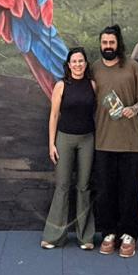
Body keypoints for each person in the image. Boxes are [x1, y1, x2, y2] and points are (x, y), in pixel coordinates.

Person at [89, 25, 138, 259]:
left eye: (111, 43)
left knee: (128, 190)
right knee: (105, 191)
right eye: (104, 43)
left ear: (118, 44)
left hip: (130, 143)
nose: (107, 46)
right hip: (103, 142)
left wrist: (134, 108)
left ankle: (129, 234)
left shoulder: (132, 67)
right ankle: (109, 232)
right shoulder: (94, 69)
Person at [40, 47, 97, 250]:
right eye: (74, 61)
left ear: (86, 63)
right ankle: (54, 236)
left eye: (81, 61)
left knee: (83, 187)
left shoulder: (92, 85)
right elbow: (54, 116)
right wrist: (51, 144)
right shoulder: (61, 86)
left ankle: (86, 237)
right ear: (69, 64)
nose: (78, 65)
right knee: (62, 186)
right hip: (64, 139)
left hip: (87, 140)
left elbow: (97, 113)